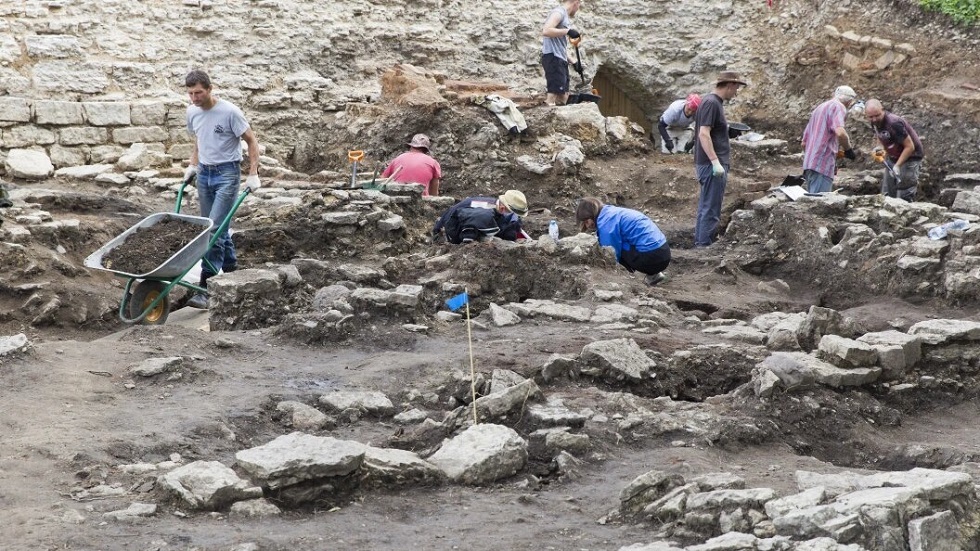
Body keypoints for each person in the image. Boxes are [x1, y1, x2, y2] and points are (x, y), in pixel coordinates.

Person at [182, 69, 261, 309]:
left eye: (199, 93)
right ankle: (232, 269)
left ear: (209, 89)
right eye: (191, 94)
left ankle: (207, 288)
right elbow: (198, 138)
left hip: (227, 173)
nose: (195, 98)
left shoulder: (229, 112)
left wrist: (253, 173)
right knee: (218, 227)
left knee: (212, 230)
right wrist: (193, 165)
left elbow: (251, 140)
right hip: (205, 174)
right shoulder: (192, 112)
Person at [693, 71, 747, 248]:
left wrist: (727, 131)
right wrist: (715, 161)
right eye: (736, 88)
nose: (736, 92)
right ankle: (704, 246)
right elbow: (703, 133)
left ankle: (702, 243)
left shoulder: (713, 103)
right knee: (711, 208)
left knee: (707, 206)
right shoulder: (711, 103)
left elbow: (711, 131)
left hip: (710, 163)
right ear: (730, 85)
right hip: (711, 165)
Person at [575, 197, 671, 286]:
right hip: (664, 250)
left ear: (592, 214)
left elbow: (610, 253)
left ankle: (622, 278)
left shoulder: (606, 223)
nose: (587, 226)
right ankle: (654, 275)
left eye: (587, 221)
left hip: (652, 257)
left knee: (610, 250)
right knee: (626, 239)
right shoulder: (611, 212)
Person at [801, 85, 858, 194]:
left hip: (809, 164)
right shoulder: (838, 106)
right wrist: (848, 150)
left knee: (810, 203)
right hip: (822, 166)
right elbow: (840, 133)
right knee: (818, 204)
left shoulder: (818, 109)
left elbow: (804, 143)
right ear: (849, 101)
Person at [865, 99, 924, 202]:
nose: (874, 119)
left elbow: (910, 147)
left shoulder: (894, 123)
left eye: (877, 115)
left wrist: (897, 165)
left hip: (910, 158)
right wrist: (879, 148)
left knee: (903, 195)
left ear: (882, 110)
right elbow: (880, 134)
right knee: (887, 195)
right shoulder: (875, 122)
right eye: (871, 117)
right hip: (893, 158)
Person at [432, 190, 530, 244]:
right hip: (446, 231)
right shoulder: (483, 213)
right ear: (503, 207)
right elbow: (467, 240)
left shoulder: (496, 207)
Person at [540, 0, 582, 106]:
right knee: (553, 94)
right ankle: (547, 113)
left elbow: (559, 46)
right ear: (576, 2)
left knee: (564, 96)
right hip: (553, 57)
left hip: (560, 58)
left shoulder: (565, 17)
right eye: (579, 5)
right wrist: (567, 31)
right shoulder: (559, 12)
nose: (578, 8)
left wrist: (573, 62)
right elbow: (546, 31)